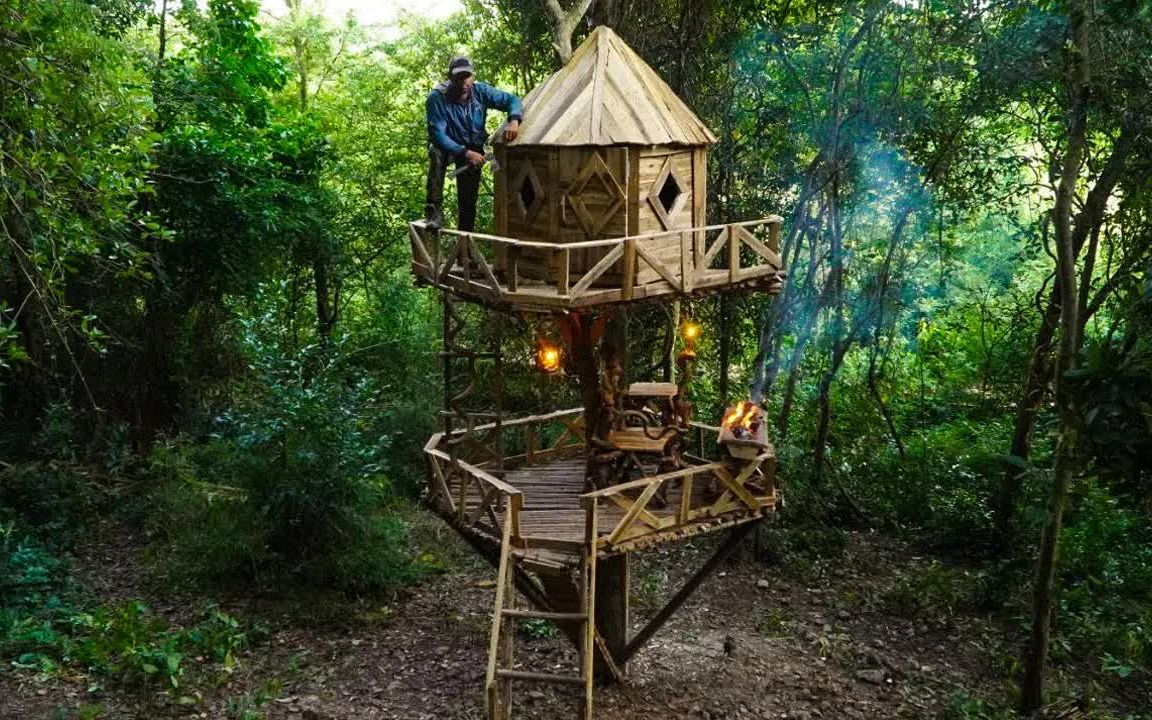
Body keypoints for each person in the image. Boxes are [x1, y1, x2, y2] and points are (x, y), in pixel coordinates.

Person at [424, 56, 522, 231]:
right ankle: (434, 211)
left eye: (467, 76)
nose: (463, 81)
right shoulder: (437, 97)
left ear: (473, 76)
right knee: (436, 151)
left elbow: (512, 100)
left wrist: (514, 120)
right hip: (450, 146)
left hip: (473, 148)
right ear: (450, 77)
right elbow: (437, 134)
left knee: (468, 203)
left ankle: (465, 249)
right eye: (458, 77)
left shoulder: (481, 91)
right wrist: (464, 152)